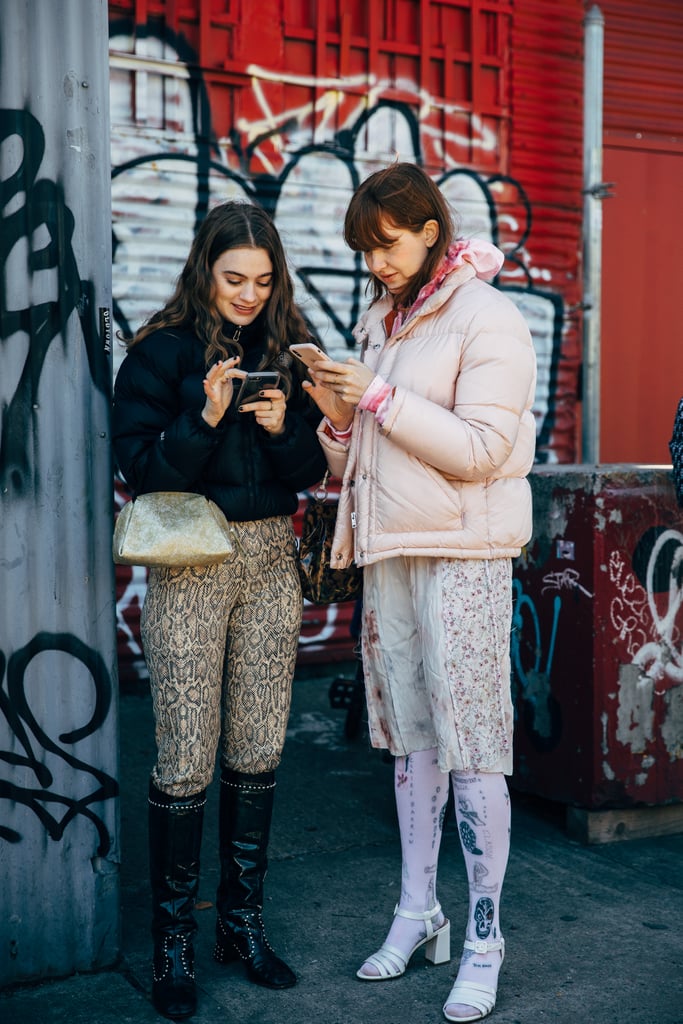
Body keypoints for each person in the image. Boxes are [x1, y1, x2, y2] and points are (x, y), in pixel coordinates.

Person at [303, 163, 536, 1023]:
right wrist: (338, 419)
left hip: (464, 555)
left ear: (430, 229)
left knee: (473, 747)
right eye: (365, 250)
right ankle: (418, 912)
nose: (376, 264)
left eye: (387, 244)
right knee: (408, 742)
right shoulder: (387, 320)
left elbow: (480, 448)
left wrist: (380, 395)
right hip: (392, 551)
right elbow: (367, 454)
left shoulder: (491, 317)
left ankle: (484, 938)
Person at [112, 201, 328, 1021]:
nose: (248, 294)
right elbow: (143, 476)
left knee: (256, 749)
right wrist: (202, 416)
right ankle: (172, 939)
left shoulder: (288, 347)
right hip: (192, 564)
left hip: (273, 559)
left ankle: (240, 925)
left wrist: (283, 428)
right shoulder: (159, 354)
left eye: (263, 280)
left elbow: (308, 468)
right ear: (205, 269)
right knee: (184, 756)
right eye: (234, 278)